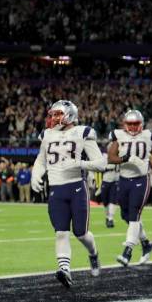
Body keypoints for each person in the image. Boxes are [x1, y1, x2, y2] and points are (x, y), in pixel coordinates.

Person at [30, 100, 106, 288]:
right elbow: (41, 160)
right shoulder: (47, 134)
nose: (54, 118)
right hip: (56, 188)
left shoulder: (82, 132)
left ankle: (93, 254)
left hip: (76, 188)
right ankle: (65, 270)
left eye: (58, 114)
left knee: (80, 233)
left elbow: (101, 163)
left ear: (70, 114)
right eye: (53, 114)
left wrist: (80, 164)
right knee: (61, 233)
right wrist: (35, 175)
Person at [107, 109, 152, 266]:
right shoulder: (118, 135)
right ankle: (146, 244)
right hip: (124, 180)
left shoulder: (149, 135)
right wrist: (127, 158)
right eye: (130, 124)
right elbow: (111, 158)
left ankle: (127, 251)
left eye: (136, 124)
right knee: (126, 216)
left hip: (141, 180)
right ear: (124, 124)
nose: (133, 127)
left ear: (141, 124)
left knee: (135, 214)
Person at [100, 153, 119, 228]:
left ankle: (110, 219)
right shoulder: (104, 155)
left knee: (113, 200)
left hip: (115, 180)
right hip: (105, 179)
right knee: (105, 201)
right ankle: (108, 217)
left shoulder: (119, 155)